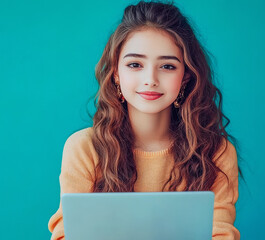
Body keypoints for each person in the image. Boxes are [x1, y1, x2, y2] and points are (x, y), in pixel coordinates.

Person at [48, 1, 241, 239]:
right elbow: (66, 234)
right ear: (116, 73)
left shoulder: (217, 152)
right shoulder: (83, 148)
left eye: (168, 66)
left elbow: (220, 233)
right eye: (135, 64)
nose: (150, 79)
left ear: (186, 77)